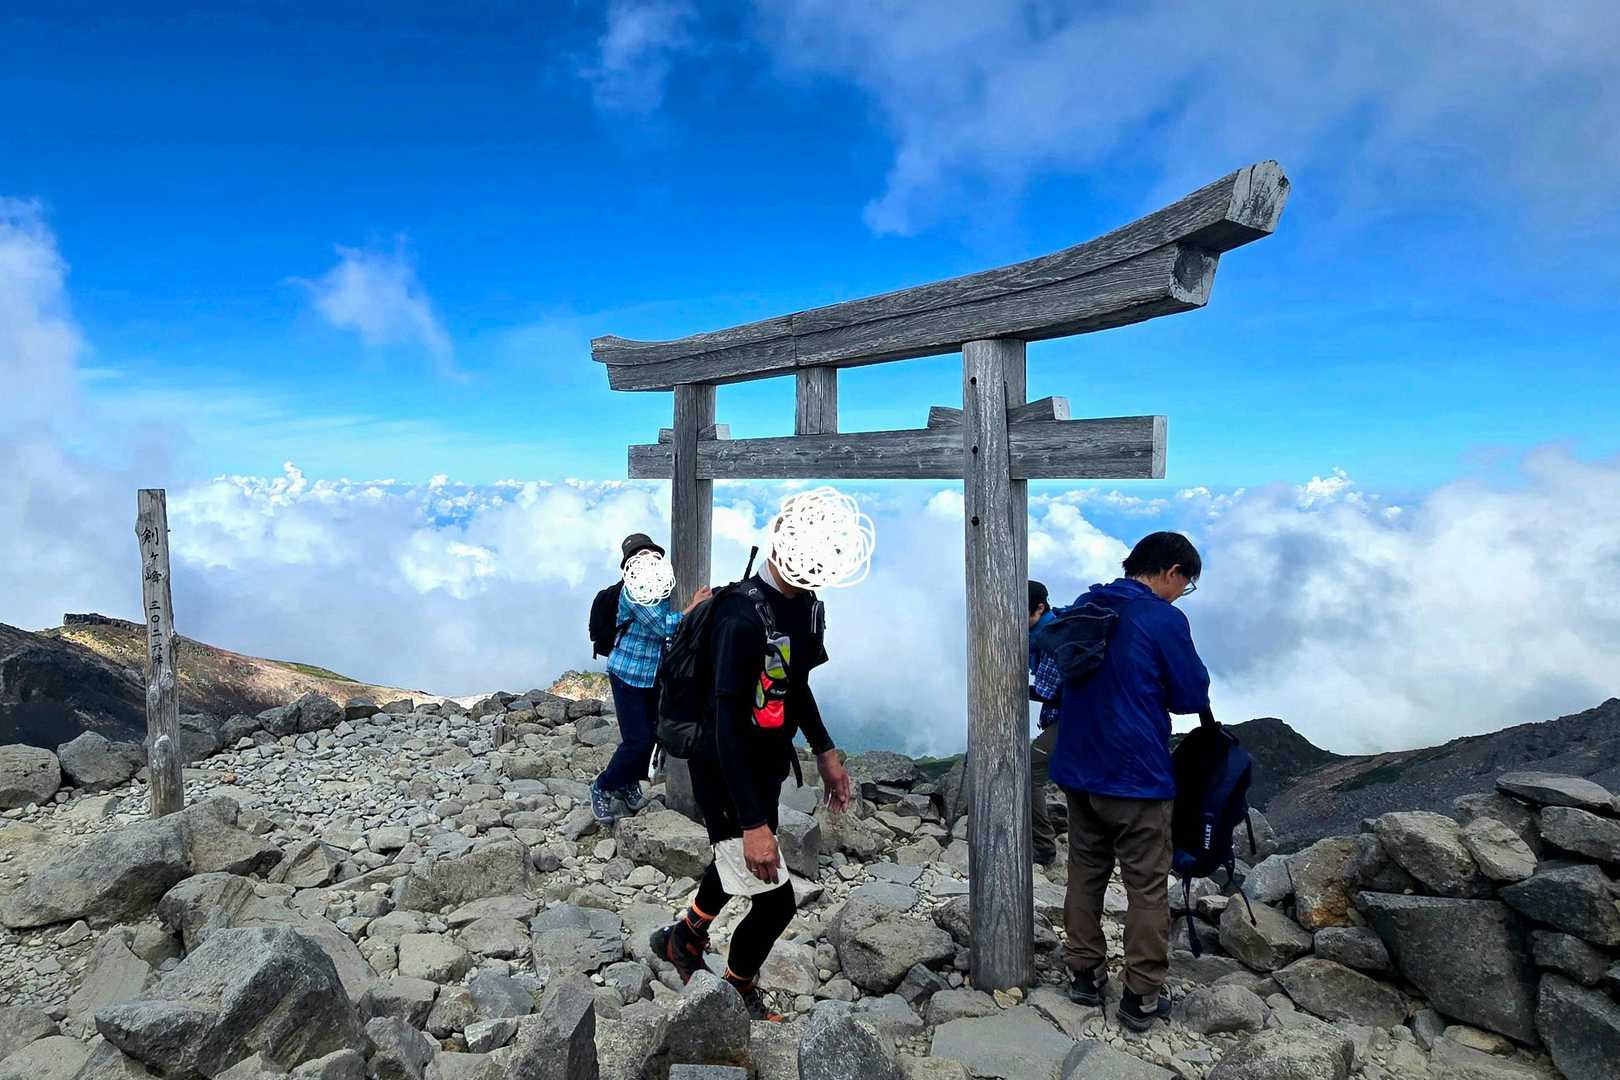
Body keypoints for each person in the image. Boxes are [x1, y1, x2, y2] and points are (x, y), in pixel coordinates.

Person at [649, 549, 854, 1021]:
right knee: (776, 903)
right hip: (724, 769)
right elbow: (726, 728)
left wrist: (825, 751)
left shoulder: (799, 604)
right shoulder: (739, 619)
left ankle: (686, 936)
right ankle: (737, 991)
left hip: (763, 764)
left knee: (738, 860)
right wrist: (753, 824)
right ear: (782, 547)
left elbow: (794, 684)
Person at [1050, 532, 1209, 1031]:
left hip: (1078, 768)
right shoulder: (1162, 618)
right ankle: (1140, 995)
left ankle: (1083, 973)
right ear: (1172, 571)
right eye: (1186, 584)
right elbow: (1190, 695)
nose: (1182, 594)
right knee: (1146, 886)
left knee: (1085, 871)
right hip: (1135, 775)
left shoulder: (1088, 605)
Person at [592, 533, 710, 825]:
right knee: (637, 740)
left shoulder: (659, 587)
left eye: (649, 554)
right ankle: (603, 786)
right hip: (627, 675)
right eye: (639, 556)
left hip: (651, 675)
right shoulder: (632, 594)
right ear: (630, 564)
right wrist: (695, 605)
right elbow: (663, 627)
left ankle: (628, 783)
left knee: (653, 735)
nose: (646, 559)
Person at [1028, 580, 1064, 865]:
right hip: (1077, 718)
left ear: (1039, 608)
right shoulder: (1042, 632)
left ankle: (1043, 847)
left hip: (1073, 720)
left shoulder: (1052, 636)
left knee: (1030, 770)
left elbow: (1047, 691)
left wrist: (1010, 686)